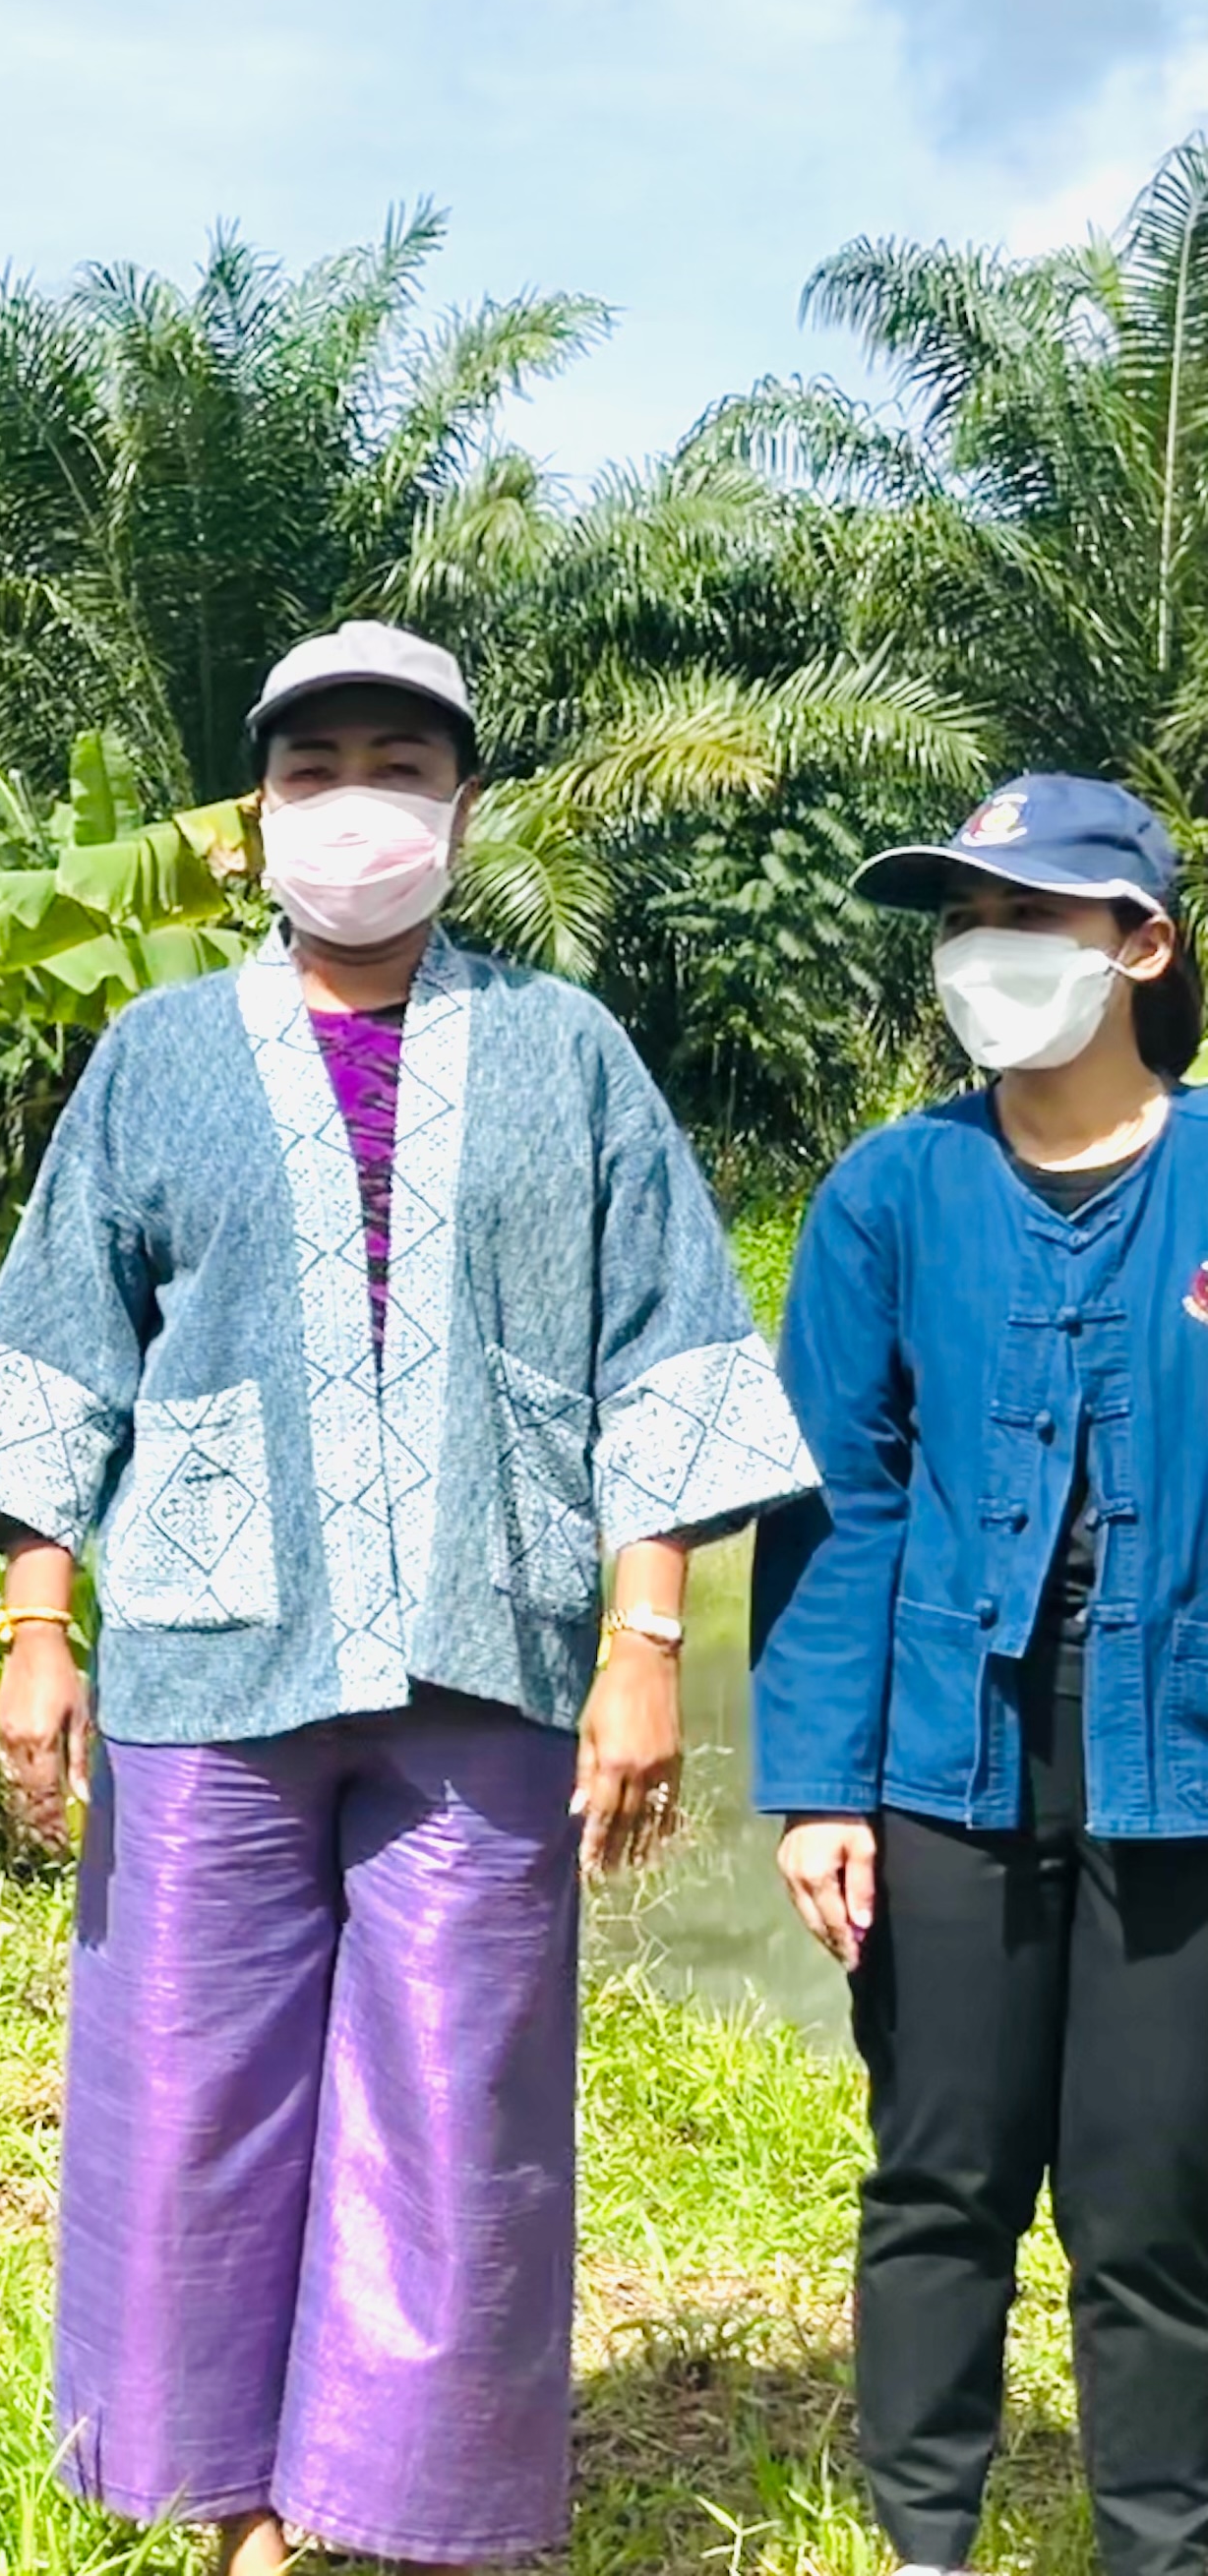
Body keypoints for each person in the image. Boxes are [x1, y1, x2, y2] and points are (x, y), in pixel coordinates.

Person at [0, 621, 815, 2575]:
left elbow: (656, 1348)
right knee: (188, 2080)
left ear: (463, 805)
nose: (358, 803)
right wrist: (38, 1634)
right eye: (315, 765)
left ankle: (387, 2502)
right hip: (204, 1652)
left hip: (484, 1658)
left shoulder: (569, 1055)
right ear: (259, 813)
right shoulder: (158, 1061)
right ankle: (216, 2492)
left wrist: (646, 1649)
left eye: (399, 764)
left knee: (456, 2089)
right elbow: (64, 1352)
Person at [752, 773, 1208, 2576]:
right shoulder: (892, 1192)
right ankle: (922, 2543)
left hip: (1180, 1765)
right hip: (949, 1760)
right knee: (938, 2181)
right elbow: (840, 1506)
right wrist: (811, 1786)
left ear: (1142, 945)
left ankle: (1160, 2546)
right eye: (959, 923)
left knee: (1151, 2204)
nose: (983, 956)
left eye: (1027, 920)